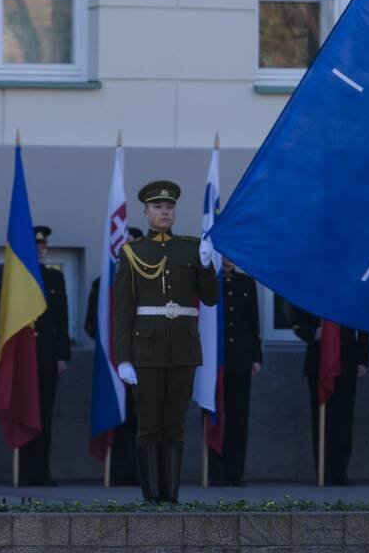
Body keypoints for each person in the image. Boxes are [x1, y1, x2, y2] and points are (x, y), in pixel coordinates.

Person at [113, 181, 218, 503]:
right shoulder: (133, 252)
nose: (164, 212)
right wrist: (124, 357)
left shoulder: (190, 247)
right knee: (148, 426)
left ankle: (170, 497)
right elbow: (122, 309)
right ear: (146, 213)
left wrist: (206, 266)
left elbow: (211, 298)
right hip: (146, 350)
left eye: (169, 208)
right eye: (158, 208)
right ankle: (151, 496)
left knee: (174, 426)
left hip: (183, 349)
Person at [0, 225, 71, 486]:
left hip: (47, 359)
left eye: (43, 246)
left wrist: (63, 355)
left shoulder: (55, 279)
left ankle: (41, 471)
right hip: (22, 360)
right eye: (35, 246)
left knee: (45, 415)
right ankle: (23, 471)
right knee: (23, 412)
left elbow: (62, 319)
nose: (40, 250)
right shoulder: (13, 280)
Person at [86, 226, 143, 485]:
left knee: (141, 419)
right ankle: (119, 471)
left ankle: (142, 472)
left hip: (144, 362)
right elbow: (91, 324)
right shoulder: (103, 284)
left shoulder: (151, 282)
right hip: (114, 363)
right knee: (117, 417)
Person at [291, 305, 369, 485]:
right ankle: (323, 471)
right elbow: (297, 321)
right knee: (321, 419)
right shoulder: (312, 286)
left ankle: (340, 471)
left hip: (347, 360)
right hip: (319, 361)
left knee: (344, 418)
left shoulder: (350, 285)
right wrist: (312, 333)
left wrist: (363, 357)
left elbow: (363, 321)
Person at [208, 257, 262, 486]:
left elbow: (253, 323)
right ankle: (215, 471)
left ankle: (234, 471)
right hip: (213, 361)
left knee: (238, 417)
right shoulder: (208, 282)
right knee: (214, 416)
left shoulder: (246, 283)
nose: (227, 258)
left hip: (240, 359)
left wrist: (256, 356)